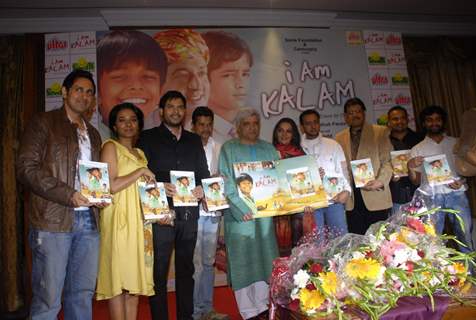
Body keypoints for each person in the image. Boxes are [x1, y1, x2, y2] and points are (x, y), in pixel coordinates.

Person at [17, 70, 105, 319]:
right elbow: (26, 168)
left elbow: (95, 177)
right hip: (52, 220)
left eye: (89, 92)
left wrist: (102, 195)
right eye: (78, 89)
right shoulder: (43, 122)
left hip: (89, 220)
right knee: (48, 299)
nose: (84, 96)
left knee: (82, 294)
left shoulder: (94, 134)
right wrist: (69, 194)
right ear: (65, 92)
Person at [137, 91, 210, 320]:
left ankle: (185, 316)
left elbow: (203, 173)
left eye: (180, 107)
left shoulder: (193, 139)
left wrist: (202, 189)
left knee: (186, 270)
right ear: (161, 111)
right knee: (158, 272)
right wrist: (161, 183)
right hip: (161, 215)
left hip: (189, 214)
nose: (175, 111)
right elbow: (140, 175)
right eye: (170, 107)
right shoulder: (147, 138)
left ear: (184, 111)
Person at [95, 103, 156, 319]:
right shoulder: (110, 147)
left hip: (140, 221)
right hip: (119, 220)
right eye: (122, 119)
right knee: (118, 281)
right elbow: (110, 185)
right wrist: (140, 171)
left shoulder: (140, 153)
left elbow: (145, 189)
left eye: (133, 119)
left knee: (133, 282)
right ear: (113, 125)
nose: (128, 124)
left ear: (139, 124)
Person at [218, 108, 279, 320]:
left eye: (255, 123)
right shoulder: (229, 149)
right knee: (243, 261)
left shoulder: (269, 149)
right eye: (247, 124)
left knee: (265, 259)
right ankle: (248, 312)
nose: (252, 128)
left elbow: (279, 180)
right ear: (238, 127)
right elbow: (226, 182)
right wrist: (241, 209)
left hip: (265, 218)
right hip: (240, 218)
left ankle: (263, 307)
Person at [408, 105, 474, 253]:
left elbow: (466, 170)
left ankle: (470, 273)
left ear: (443, 122)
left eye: (438, 119)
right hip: (431, 197)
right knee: (432, 239)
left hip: (457, 195)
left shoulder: (457, 144)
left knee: (465, 235)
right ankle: (438, 273)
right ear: (424, 124)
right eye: (429, 120)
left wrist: (461, 181)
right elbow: (415, 181)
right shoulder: (417, 149)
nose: (434, 123)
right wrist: (410, 166)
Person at [190, 106, 229, 320]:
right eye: (201, 124)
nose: (205, 129)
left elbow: (227, 177)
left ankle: (208, 308)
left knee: (208, 262)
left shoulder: (220, 148)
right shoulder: (186, 147)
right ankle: (195, 312)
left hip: (213, 213)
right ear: (193, 126)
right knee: (195, 264)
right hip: (192, 213)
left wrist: (221, 178)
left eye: (208, 124)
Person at [335, 98, 393, 235]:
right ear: (345, 117)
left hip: (375, 193)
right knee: (357, 240)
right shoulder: (339, 138)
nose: (355, 115)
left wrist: (380, 181)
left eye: (358, 111)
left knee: (380, 240)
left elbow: (388, 161)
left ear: (364, 113)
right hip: (352, 198)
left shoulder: (380, 132)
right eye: (351, 112)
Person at [97, 30, 168, 137]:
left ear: (161, 90)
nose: (136, 86)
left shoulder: (153, 140)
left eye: (148, 77)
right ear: (97, 91)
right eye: (120, 77)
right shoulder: (98, 143)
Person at [299, 110, 351, 237]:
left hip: (334, 201)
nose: (313, 126)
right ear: (302, 126)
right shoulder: (297, 147)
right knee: (316, 244)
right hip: (310, 205)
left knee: (341, 239)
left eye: (315, 122)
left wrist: (347, 191)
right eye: (308, 123)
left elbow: (344, 171)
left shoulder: (333, 145)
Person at [202, 31, 253, 144]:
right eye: (228, 75)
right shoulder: (199, 133)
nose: (240, 84)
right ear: (204, 78)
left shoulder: (248, 130)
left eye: (245, 74)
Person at [271, 118, 307, 253]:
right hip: (278, 209)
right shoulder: (269, 153)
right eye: (280, 130)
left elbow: (307, 182)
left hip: (298, 208)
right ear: (275, 133)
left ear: (294, 134)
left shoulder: (301, 153)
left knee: (299, 247)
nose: (284, 134)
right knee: (279, 248)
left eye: (288, 131)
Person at [154, 29, 210, 114]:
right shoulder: (144, 125)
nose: (196, 85)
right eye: (183, 75)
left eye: (201, 73)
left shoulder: (224, 127)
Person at [387, 105, 423, 214]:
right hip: (396, 194)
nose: (399, 121)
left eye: (402, 118)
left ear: (407, 119)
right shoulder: (383, 142)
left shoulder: (420, 139)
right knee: (399, 229)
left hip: (419, 192)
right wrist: (389, 175)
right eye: (395, 119)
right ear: (389, 122)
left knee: (423, 228)